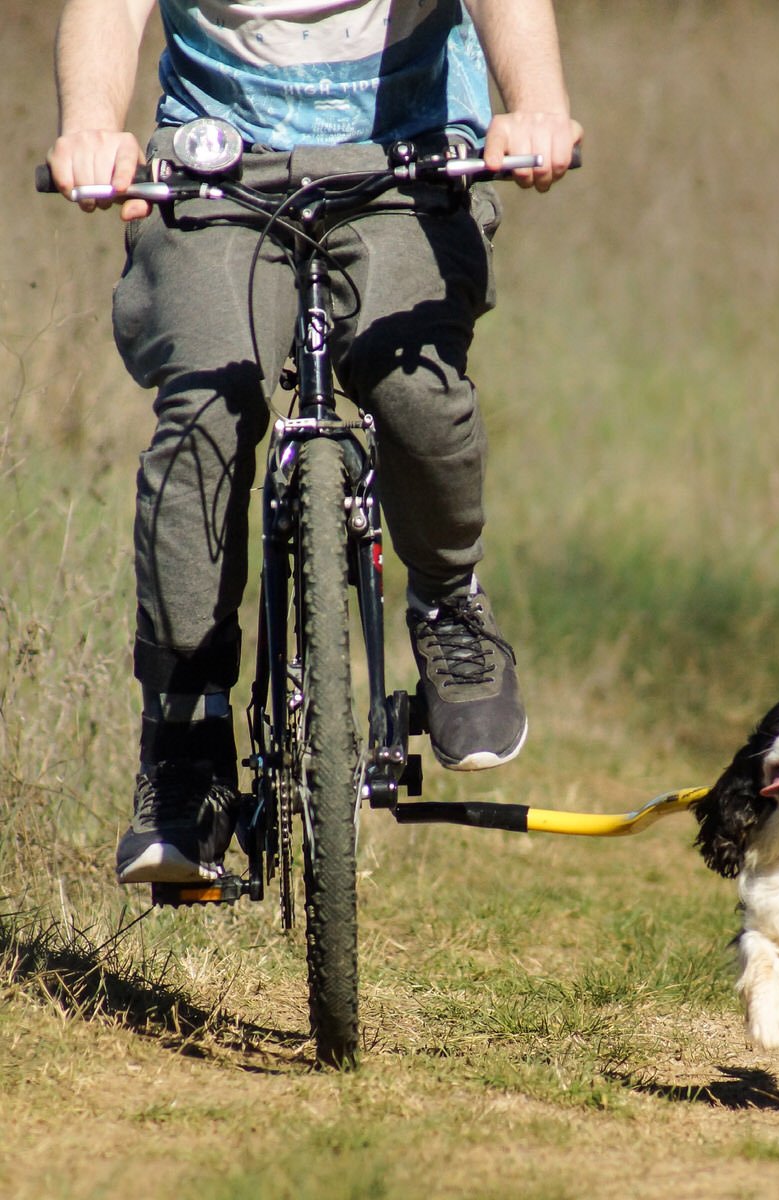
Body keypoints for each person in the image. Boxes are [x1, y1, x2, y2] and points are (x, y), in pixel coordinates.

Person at [44, 0, 582, 886]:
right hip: (218, 168)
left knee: (414, 388)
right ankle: (185, 737)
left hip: (410, 159)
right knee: (204, 417)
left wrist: (537, 100)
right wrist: (92, 128)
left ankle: (449, 603)